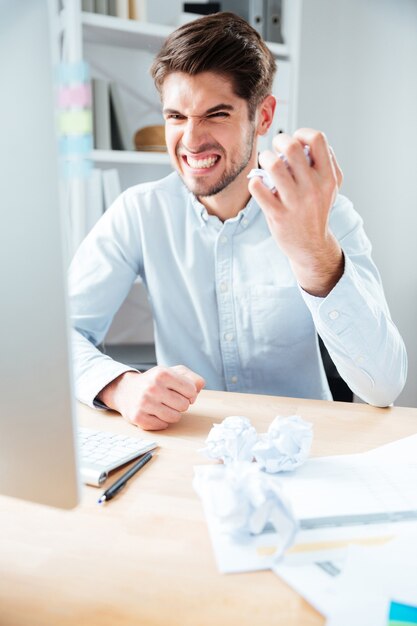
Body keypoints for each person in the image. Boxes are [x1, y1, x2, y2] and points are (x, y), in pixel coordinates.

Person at [69, 12, 407, 431]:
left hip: (305, 449)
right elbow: (60, 336)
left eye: (216, 114)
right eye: (176, 116)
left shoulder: (326, 212)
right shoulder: (139, 211)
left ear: (263, 116)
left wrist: (315, 252)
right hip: (190, 446)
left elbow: (384, 386)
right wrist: (120, 387)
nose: (191, 141)